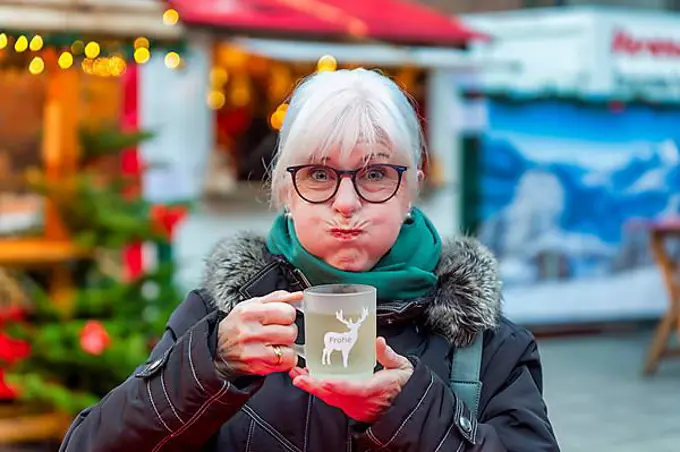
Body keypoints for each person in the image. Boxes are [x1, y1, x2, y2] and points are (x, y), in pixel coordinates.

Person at [59, 68, 560, 451]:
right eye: (319, 175)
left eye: (376, 173)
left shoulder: (483, 342)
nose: (346, 203)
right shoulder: (223, 319)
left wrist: (404, 410)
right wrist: (211, 366)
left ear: (411, 190)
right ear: (285, 191)